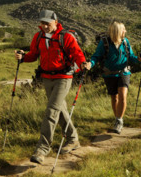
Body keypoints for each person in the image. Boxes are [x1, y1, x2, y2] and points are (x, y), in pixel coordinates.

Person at [17, 9, 90, 163]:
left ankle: (42, 149)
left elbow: (77, 53)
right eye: (42, 23)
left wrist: (83, 63)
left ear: (55, 22)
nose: (44, 26)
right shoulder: (38, 37)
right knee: (59, 109)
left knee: (51, 111)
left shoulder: (66, 37)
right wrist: (23, 57)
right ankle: (73, 138)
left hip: (63, 78)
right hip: (47, 77)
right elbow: (33, 54)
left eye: (47, 23)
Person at [89, 21, 136, 134]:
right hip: (109, 74)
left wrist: (138, 59)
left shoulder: (125, 42)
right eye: (123, 29)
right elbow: (96, 56)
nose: (125, 31)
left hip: (124, 73)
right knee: (114, 98)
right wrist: (90, 63)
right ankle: (117, 119)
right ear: (118, 31)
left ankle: (119, 121)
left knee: (122, 95)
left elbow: (131, 56)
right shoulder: (104, 42)